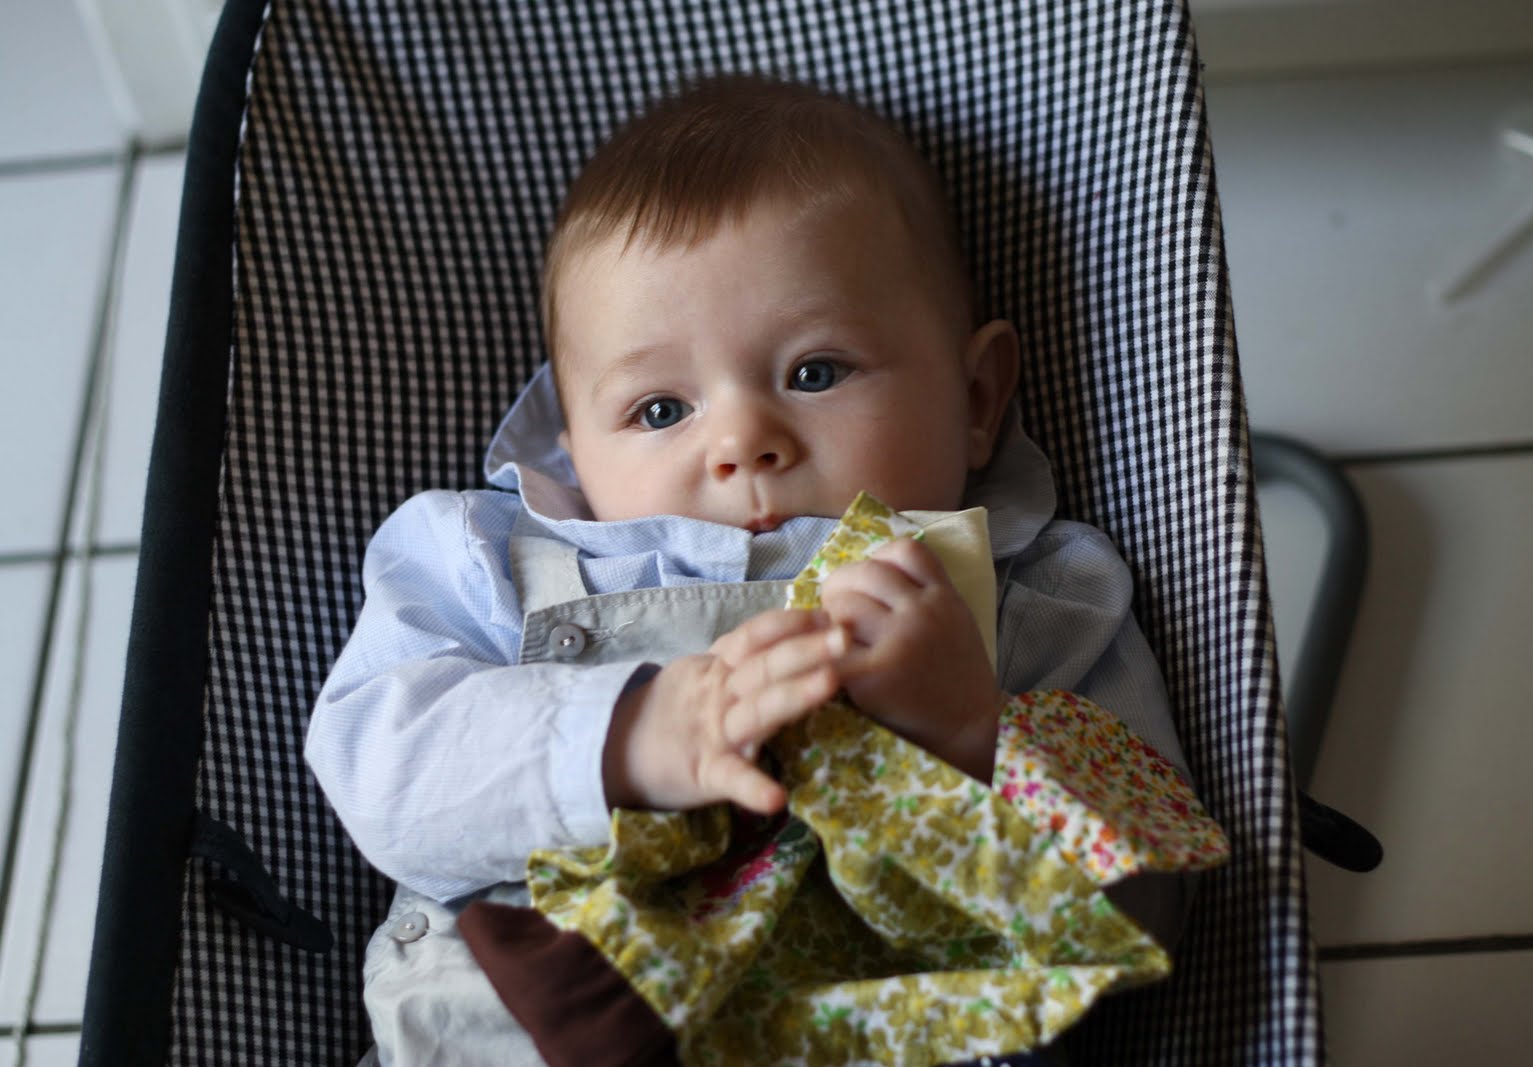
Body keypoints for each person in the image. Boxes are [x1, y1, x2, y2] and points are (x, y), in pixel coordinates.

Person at [307, 73, 1199, 1067]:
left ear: (977, 397)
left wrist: (968, 737)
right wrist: (629, 733)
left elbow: (1145, 916)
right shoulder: (490, 560)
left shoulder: (1043, 596)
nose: (740, 441)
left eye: (815, 371)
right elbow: (379, 767)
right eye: (660, 409)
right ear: (571, 446)